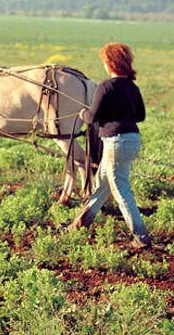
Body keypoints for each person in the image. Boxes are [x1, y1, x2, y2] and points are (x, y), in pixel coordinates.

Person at [68, 42, 151, 248]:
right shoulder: (133, 87)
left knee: (121, 190)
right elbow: (140, 116)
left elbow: (91, 117)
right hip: (131, 139)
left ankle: (141, 237)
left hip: (116, 142)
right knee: (102, 184)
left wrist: (82, 113)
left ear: (110, 63)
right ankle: (80, 223)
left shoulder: (106, 86)